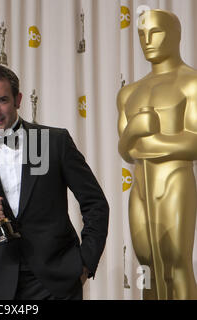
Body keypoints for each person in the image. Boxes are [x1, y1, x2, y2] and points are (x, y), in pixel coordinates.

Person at [0, 63, 109, 300]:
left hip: (57, 281)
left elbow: (95, 203)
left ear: (18, 100)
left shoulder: (55, 142)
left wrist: (84, 263)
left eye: (2, 100)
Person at [117, 9, 197, 299]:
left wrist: (147, 142)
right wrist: (134, 130)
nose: (147, 40)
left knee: (176, 262)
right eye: (142, 34)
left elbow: (194, 142)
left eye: (156, 32)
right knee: (147, 264)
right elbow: (125, 149)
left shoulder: (191, 83)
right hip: (141, 185)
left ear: (176, 35)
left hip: (175, 180)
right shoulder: (130, 93)